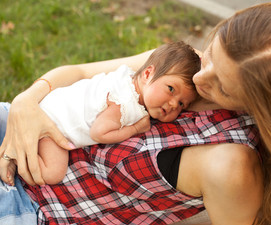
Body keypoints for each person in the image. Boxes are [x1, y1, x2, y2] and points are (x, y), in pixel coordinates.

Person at [0, 2, 271, 225]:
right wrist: (26, 104)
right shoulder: (184, 63)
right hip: (36, 125)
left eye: (221, 85)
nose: (200, 79)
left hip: (37, 210)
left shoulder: (230, 162)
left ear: (261, 107)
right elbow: (78, 73)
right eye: (211, 53)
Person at [3, 41, 200, 186]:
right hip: (55, 125)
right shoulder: (125, 105)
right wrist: (134, 128)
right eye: (171, 89)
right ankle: (17, 157)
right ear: (148, 73)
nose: (174, 104)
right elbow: (100, 133)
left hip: (53, 104)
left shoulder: (126, 77)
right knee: (53, 172)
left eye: (182, 104)